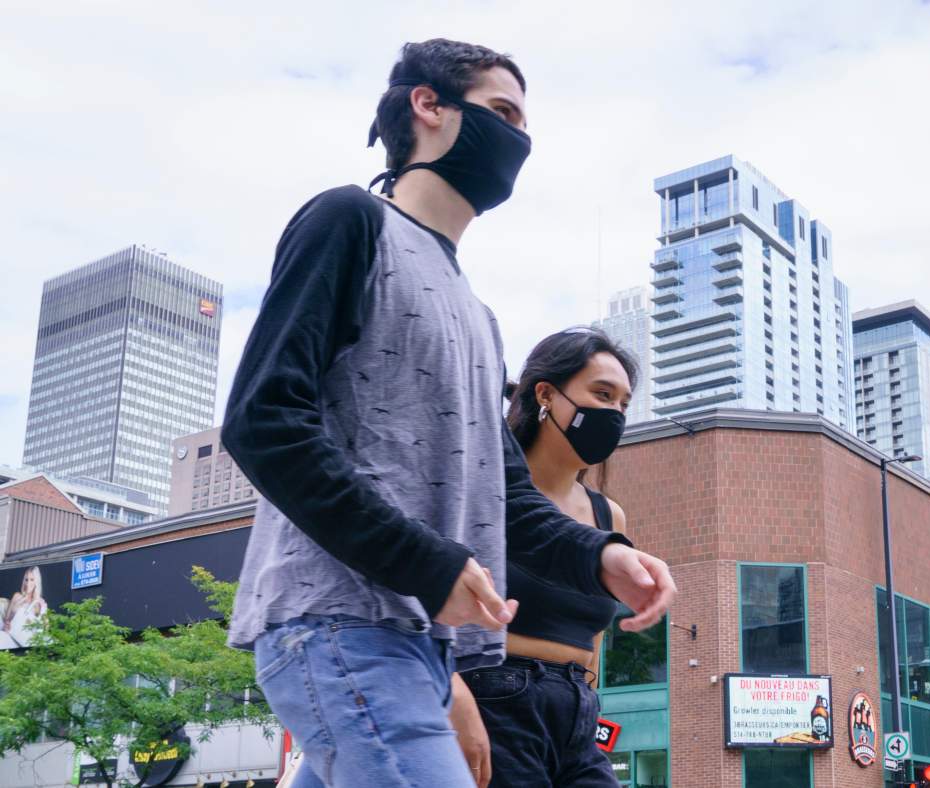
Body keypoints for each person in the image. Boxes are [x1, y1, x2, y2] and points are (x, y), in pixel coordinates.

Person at [221, 39, 676, 788]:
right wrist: (427, 565)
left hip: (418, 647)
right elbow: (263, 420)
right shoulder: (349, 221)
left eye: (527, 126)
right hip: (339, 624)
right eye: (503, 114)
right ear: (427, 106)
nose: (519, 142)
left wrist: (602, 556)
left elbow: (508, 501)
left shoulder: (478, 315)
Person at [452, 328, 636, 787]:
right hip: (495, 696)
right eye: (601, 393)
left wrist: (588, 705)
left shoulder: (606, 515)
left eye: (623, 403)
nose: (613, 412)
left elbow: (595, 638)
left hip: (578, 708)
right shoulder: (483, 490)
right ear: (546, 395)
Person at [0, 567, 47, 649]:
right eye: (26, 579)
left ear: (36, 582)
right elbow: (6, 622)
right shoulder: (17, 596)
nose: (28, 583)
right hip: (15, 635)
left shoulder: (40, 603)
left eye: (32, 579)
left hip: (32, 638)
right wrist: (15, 610)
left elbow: (45, 627)